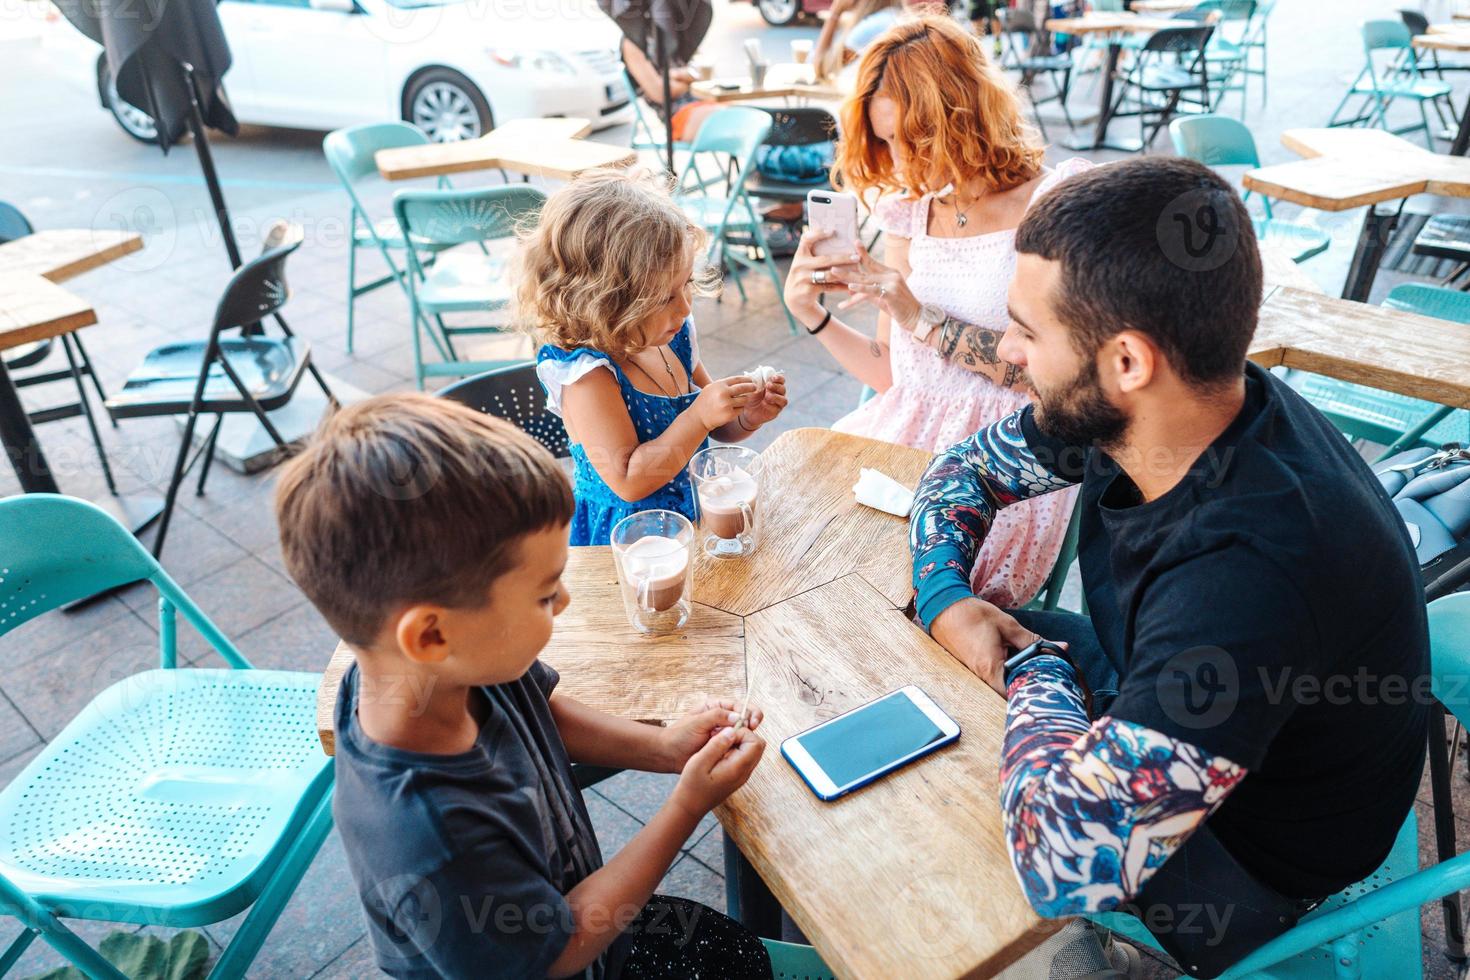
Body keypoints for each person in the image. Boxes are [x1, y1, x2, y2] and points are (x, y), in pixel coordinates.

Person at [909, 157, 1428, 976]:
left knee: (922, 853)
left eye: (1027, 330)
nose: (1007, 350)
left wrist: (1033, 667)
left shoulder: (1249, 572)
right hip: (1178, 706)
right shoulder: (1169, 405)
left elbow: (1062, 861)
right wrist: (944, 597)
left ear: (1128, 360)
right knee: (915, 657)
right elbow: (957, 474)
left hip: (1248, 870)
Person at [275, 394, 773, 979]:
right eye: (544, 593)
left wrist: (663, 749)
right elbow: (556, 949)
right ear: (432, 634)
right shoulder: (425, 834)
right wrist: (687, 804)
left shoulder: (447, 669)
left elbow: (543, 710)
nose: (562, 602)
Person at [784, 15, 1086, 609]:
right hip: (902, 437)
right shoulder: (911, 213)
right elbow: (892, 375)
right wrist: (812, 314)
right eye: (886, 141)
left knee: (896, 593)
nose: (899, 164)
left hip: (1008, 464)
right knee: (798, 539)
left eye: (912, 141)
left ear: (965, 116)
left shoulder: (1055, 206)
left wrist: (916, 313)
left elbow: (1065, 386)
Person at [521, 169, 789, 547]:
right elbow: (629, 480)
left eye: (687, 285)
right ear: (606, 299)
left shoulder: (674, 337)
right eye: (664, 297)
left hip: (694, 518)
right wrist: (698, 415)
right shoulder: (588, 375)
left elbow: (715, 427)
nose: (684, 307)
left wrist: (747, 416)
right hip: (631, 543)